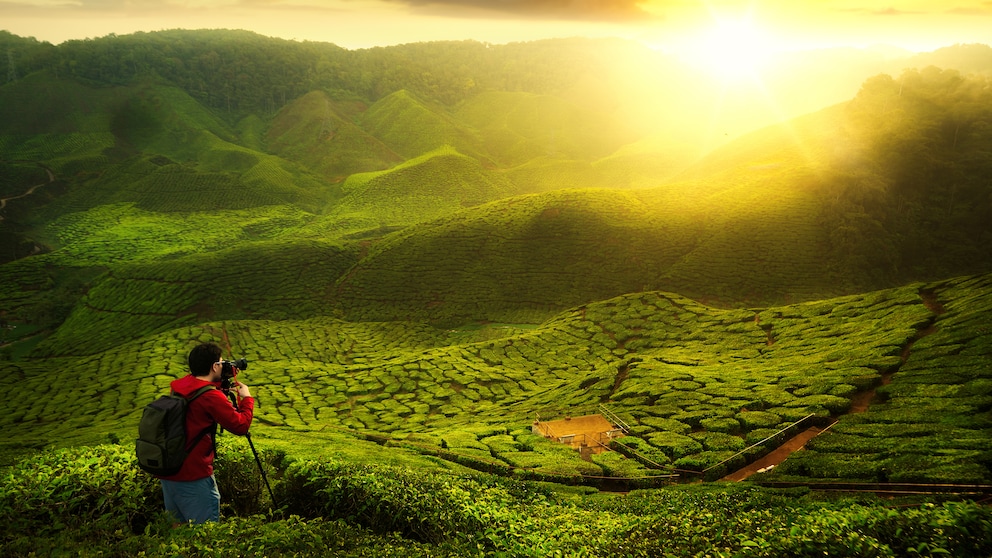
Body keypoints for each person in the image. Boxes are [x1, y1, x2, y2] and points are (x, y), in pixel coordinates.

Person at [158, 342, 255, 524]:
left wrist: (219, 381)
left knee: (178, 537)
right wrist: (247, 398)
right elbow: (241, 426)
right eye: (220, 362)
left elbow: (201, 397)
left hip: (170, 471)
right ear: (214, 366)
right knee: (205, 536)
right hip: (194, 476)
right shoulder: (211, 397)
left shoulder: (181, 386)